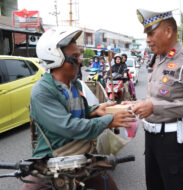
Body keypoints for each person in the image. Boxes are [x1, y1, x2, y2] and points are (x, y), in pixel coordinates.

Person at [21, 27, 135, 190]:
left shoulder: (74, 84)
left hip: (82, 156)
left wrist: (93, 110)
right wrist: (108, 121)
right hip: (51, 161)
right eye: (75, 56)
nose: (80, 60)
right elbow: (68, 127)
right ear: (56, 58)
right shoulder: (42, 91)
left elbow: (75, 113)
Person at [131, 9, 183, 190]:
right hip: (151, 138)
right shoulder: (158, 59)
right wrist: (136, 104)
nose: (147, 39)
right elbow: (155, 97)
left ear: (168, 31)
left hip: (172, 142)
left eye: (150, 33)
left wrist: (154, 107)